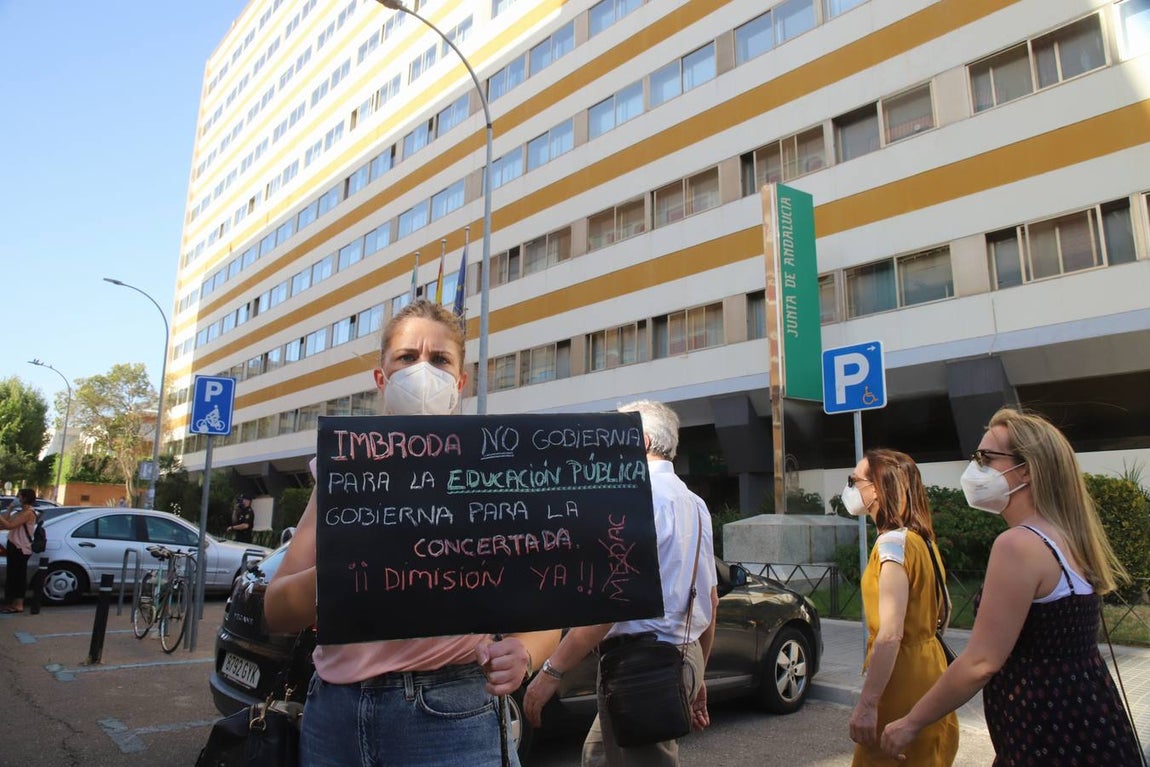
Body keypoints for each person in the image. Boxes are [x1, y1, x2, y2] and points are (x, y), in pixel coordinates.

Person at [264, 299, 560, 767]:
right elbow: (276, 610)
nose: (423, 369)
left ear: (459, 383)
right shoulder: (342, 473)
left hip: (450, 713)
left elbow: (547, 599)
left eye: (440, 359)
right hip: (335, 714)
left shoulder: (494, 474)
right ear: (381, 378)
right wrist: (349, 570)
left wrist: (524, 653)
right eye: (406, 357)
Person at [881, 407, 1141, 764]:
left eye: (986, 457)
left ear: (1028, 469)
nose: (975, 468)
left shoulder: (1017, 545)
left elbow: (981, 662)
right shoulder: (1069, 536)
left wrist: (911, 722)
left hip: (1044, 728)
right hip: (1090, 718)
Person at [523, 399, 719, 767]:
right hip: (673, 658)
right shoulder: (695, 504)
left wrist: (551, 671)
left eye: (615, 437)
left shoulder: (635, 498)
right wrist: (698, 673)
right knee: (598, 756)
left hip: (641, 666)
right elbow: (710, 598)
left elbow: (614, 600)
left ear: (641, 442)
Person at [842, 449, 958, 766]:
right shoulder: (922, 541)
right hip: (931, 669)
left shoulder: (892, 544)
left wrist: (867, 704)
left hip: (902, 679)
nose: (850, 487)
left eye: (855, 480)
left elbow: (890, 635)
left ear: (878, 488)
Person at [0, 488, 39, 614]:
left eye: (19, 496)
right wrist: (10, 509)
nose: (17, 498)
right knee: (12, 576)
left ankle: (18, 604)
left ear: (25, 498)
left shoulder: (29, 513)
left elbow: (10, 526)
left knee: (18, 576)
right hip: (13, 546)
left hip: (21, 548)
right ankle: (11, 603)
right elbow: (4, 524)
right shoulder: (20, 511)